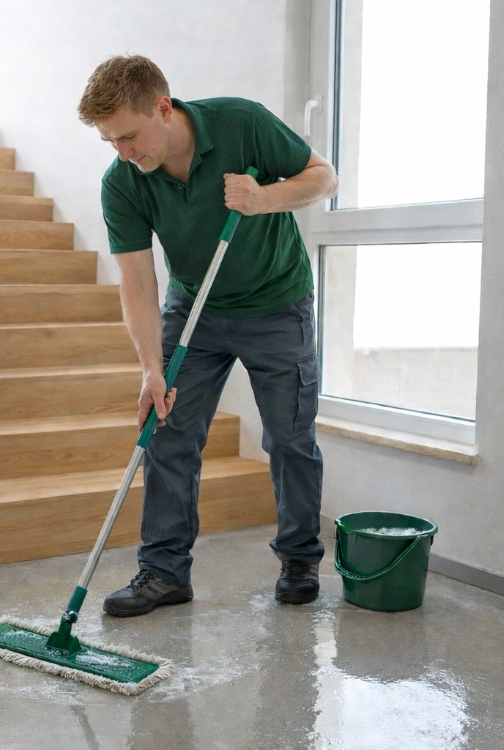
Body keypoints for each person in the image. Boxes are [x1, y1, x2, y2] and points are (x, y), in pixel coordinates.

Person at [77, 55, 339, 615]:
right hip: (193, 307)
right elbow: (138, 282)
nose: (123, 152)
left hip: (277, 304)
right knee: (166, 429)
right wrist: (151, 367)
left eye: (128, 135)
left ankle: (299, 559)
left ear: (163, 108)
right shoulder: (123, 183)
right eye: (110, 143)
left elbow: (324, 177)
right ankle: (164, 572)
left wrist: (264, 198)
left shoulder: (241, 123)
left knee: (290, 439)